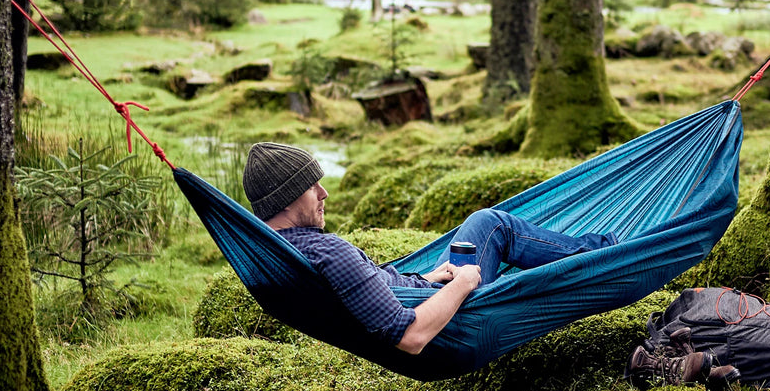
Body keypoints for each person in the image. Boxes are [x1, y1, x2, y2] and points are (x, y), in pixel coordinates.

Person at [241, 141, 616, 357]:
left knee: (483, 225)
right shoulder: (329, 253)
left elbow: (373, 289)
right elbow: (410, 337)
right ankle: (611, 252)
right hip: (460, 322)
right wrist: (464, 282)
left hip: (426, 292)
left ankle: (598, 250)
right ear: (287, 198)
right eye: (312, 187)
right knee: (493, 225)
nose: (324, 194)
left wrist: (424, 277)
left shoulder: (279, 253)